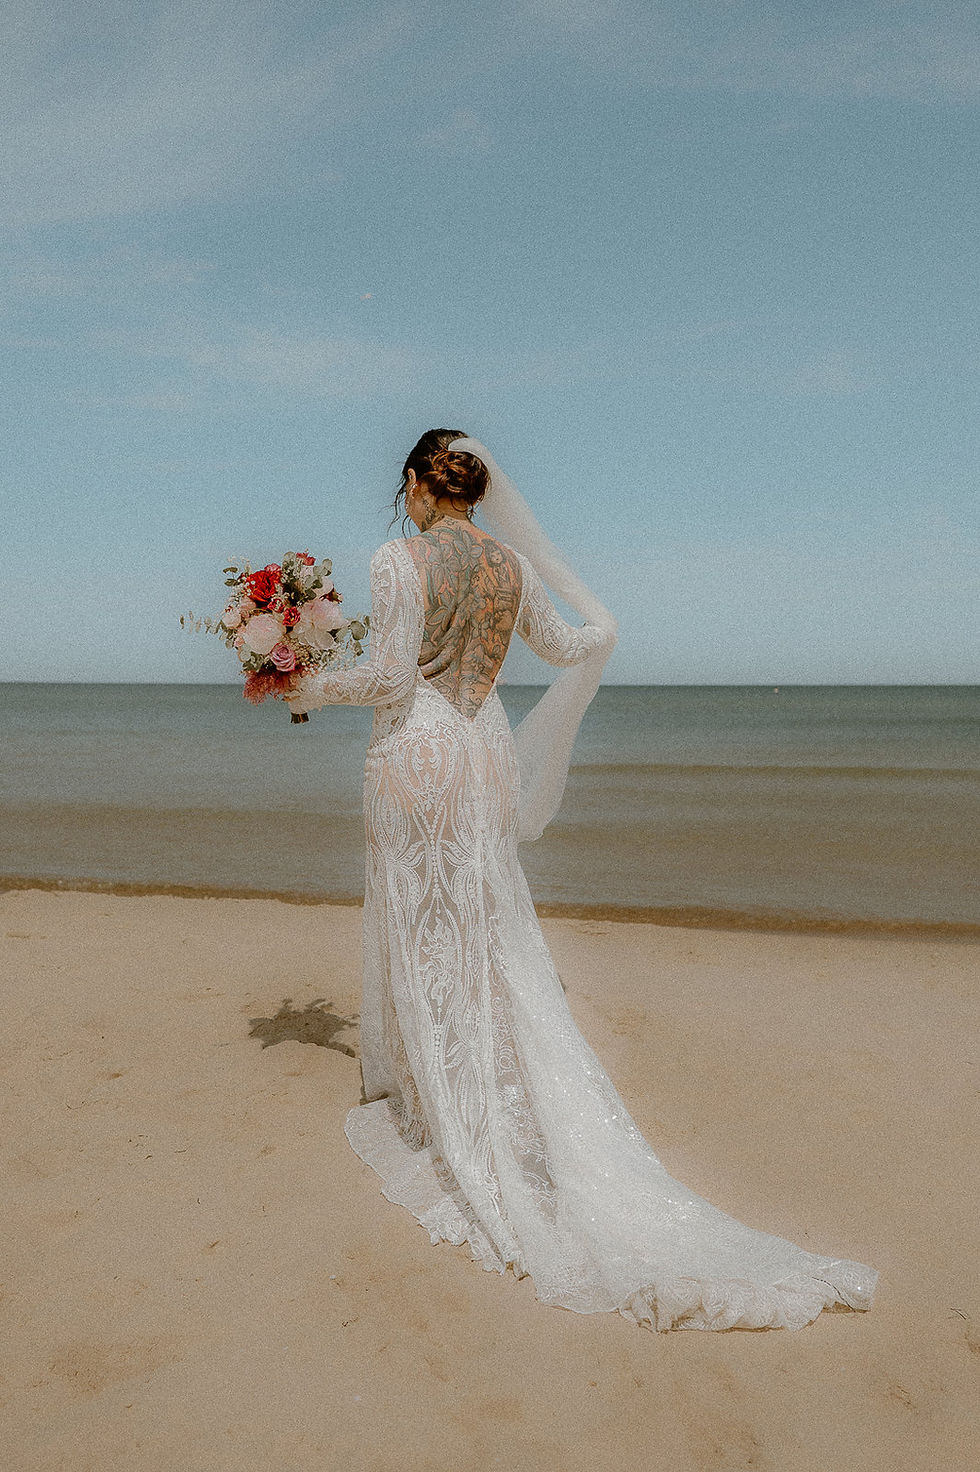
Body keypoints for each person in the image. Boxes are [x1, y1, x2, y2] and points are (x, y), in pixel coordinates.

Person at [285, 429, 878, 1333]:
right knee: (482, 933)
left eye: (402, 488)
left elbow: (391, 675)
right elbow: (566, 648)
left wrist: (303, 684)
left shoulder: (398, 561)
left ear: (417, 485)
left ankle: (437, 1097)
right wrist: (605, 634)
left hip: (419, 755)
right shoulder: (515, 569)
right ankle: (482, 1087)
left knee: (421, 927)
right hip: (486, 756)